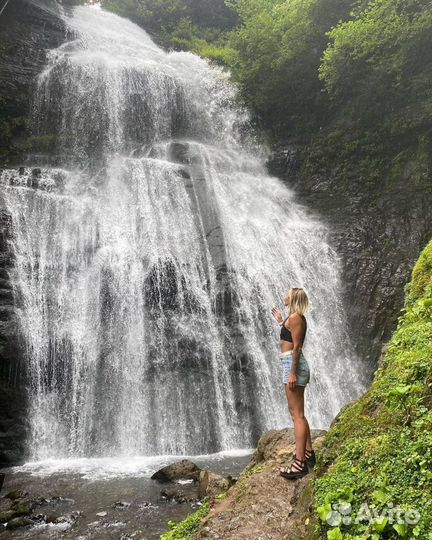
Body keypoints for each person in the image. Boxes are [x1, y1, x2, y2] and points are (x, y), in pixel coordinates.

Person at [271, 287, 315, 479]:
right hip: (289, 362)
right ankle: (308, 453)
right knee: (297, 413)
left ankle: (299, 464)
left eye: (287, 294)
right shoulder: (292, 318)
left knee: (297, 415)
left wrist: (292, 373)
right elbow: (290, 337)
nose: (284, 296)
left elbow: (297, 348)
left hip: (293, 364)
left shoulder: (296, 317)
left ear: (294, 298)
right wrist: (281, 321)